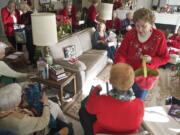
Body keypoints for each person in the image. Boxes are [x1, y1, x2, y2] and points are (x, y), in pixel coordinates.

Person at [114, 8, 169, 100]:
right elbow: (121, 52)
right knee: (121, 99)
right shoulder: (130, 34)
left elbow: (165, 58)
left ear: (151, 24)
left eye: (144, 26)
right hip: (127, 74)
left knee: (137, 101)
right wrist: (120, 68)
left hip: (144, 78)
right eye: (137, 25)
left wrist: (151, 60)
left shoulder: (159, 37)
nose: (140, 29)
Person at [79, 63, 144, 135]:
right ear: (132, 82)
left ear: (110, 81)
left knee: (82, 111)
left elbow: (89, 108)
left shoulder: (101, 101)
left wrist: (95, 90)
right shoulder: (140, 104)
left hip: (102, 131)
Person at [0, 83, 73, 135]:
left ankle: (64, 122)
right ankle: (66, 124)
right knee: (55, 106)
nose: (22, 95)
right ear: (14, 104)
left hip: (26, 121)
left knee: (49, 103)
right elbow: (44, 121)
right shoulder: (21, 122)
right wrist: (46, 104)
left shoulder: (5, 107)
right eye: (20, 95)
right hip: (39, 129)